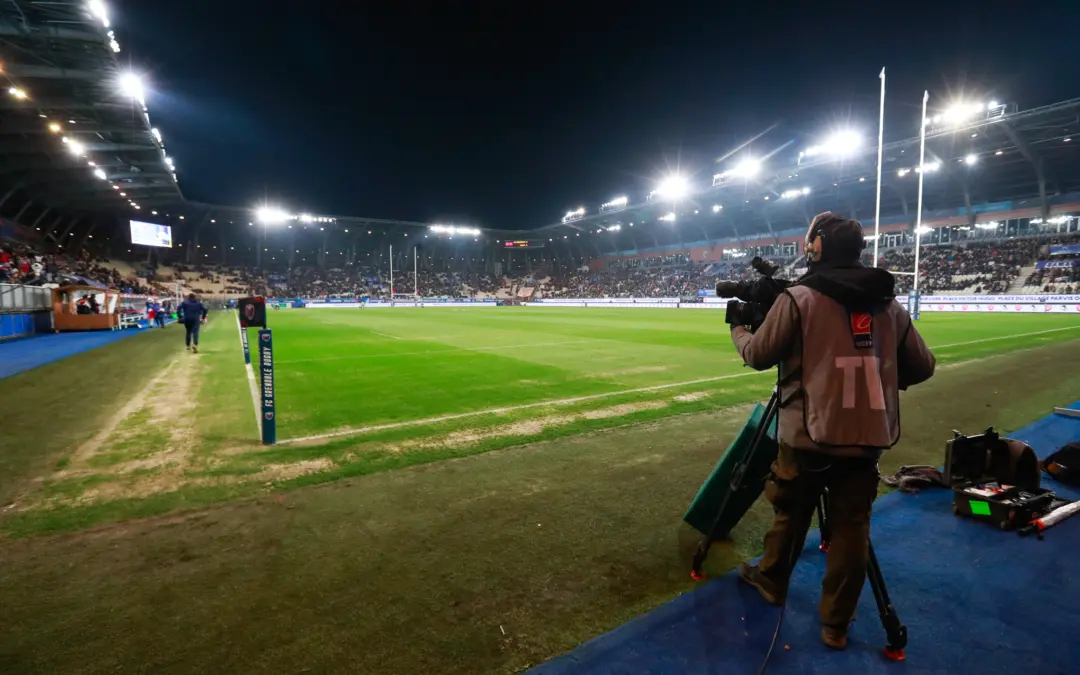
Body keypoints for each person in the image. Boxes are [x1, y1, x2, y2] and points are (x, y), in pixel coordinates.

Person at [729, 212, 936, 650]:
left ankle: (770, 581)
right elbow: (922, 366)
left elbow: (759, 356)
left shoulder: (800, 298)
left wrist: (739, 329)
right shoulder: (888, 304)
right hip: (866, 437)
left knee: (790, 512)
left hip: (806, 433)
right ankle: (835, 626)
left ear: (817, 246)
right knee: (852, 527)